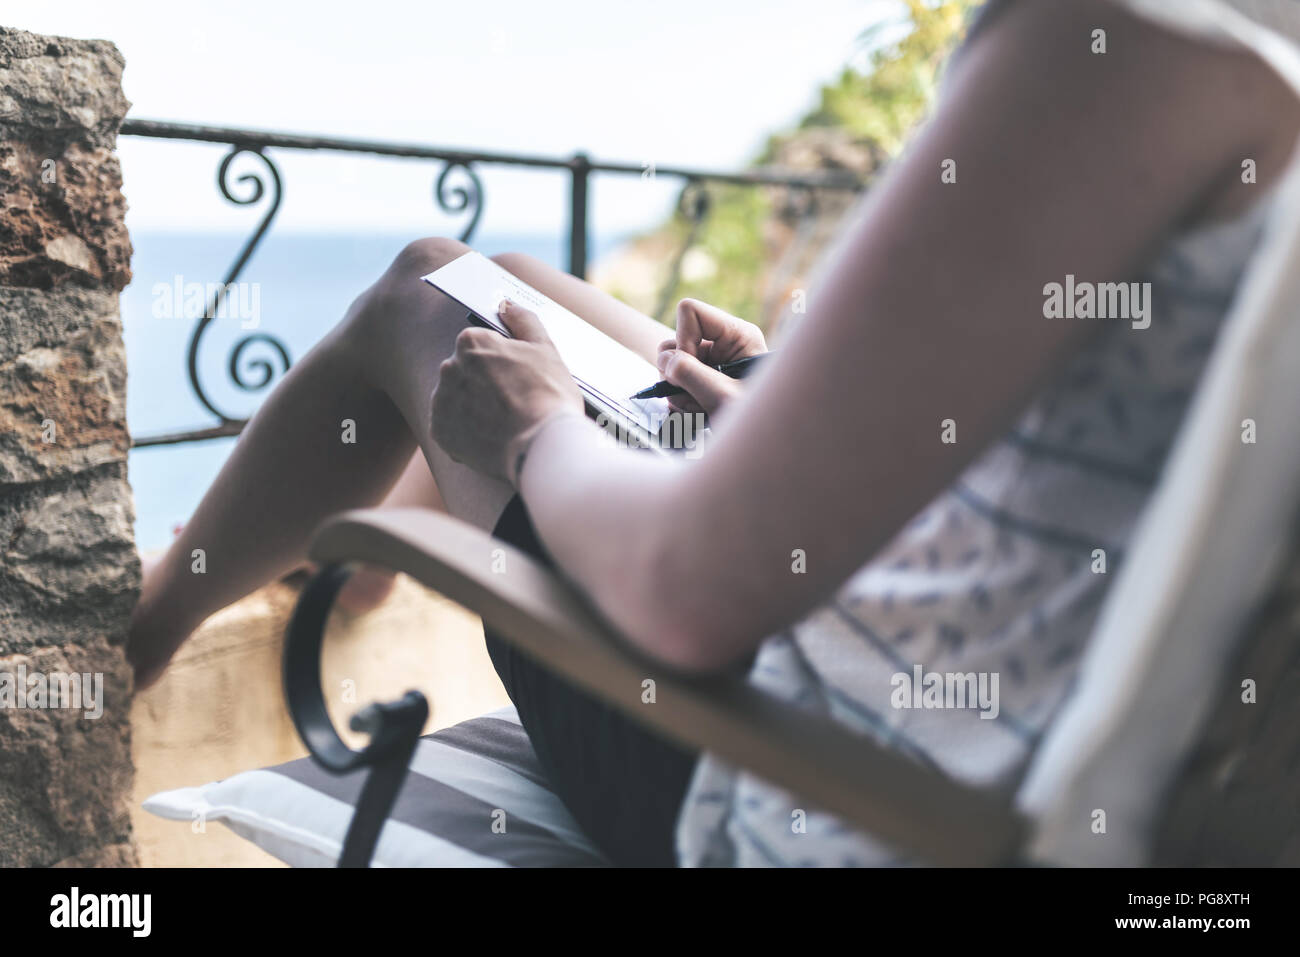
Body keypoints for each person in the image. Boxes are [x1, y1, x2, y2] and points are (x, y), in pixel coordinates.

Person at [127, 0, 1300, 866]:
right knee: (521, 281)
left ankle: (148, 624)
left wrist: (536, 436)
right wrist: (779, 401)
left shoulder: (1135, 46)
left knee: (428, 293)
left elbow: (683, 589)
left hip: (792, 785)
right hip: (975, 735)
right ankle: (384, 514)